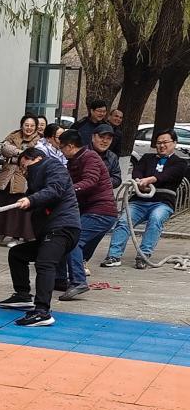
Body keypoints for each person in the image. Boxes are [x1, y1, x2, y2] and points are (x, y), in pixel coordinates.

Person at [0, 147, 81, 326]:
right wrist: (28, 202)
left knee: (45, 263)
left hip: (62, 228)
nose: (23, 171)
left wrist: (31, 200)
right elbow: (37, 198)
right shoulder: (37, 178)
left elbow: (55, 190)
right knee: (18, 254)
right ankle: (22, 295)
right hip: (51, 231)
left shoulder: (53, 166)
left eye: (24, 166)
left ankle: (42, 311)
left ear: (34, 158)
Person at [102, 128, 189, 269]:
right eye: (159, 142)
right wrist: (138, 181)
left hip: (162, 202)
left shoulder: (179, 163)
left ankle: (143, 256)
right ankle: (113, 256)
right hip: (139, 200)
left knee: (156, 219)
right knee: (124, 220)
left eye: (165, 142)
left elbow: (168, 175)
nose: (162, 145)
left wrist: (150, 180)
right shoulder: (147, 158)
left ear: (174, 143)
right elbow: (137, 171)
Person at [56, 129, 118, 301]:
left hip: (100, 212)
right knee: (63, 238)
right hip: (93, 211)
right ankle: (59, 279)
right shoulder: (75, 160)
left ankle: (78, 282)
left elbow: (90, 181)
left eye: (62, 148)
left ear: (70, 146)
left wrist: (67, 191)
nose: (61, 152)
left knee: (73, 241)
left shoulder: (89, 157)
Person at [0, 114, 38, 247]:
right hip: (6, 177)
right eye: (26, 125)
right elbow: (4, 149)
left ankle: (16, 237)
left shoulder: (38, 141)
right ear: (22, 125)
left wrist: (14, 156)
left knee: (18, 211)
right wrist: (21, 153)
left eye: (32, 126)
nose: (29, 128)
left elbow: (33, 156)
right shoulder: (13, 135)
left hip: (22, 179)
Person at [90, 123, 123, 188]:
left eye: (109, 138)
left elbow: (117, 179)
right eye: (101, 137)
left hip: (104, 191)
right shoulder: (82, 153)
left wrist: (101, 181)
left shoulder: (112, 157)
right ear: (93, 137)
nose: (105, 141)